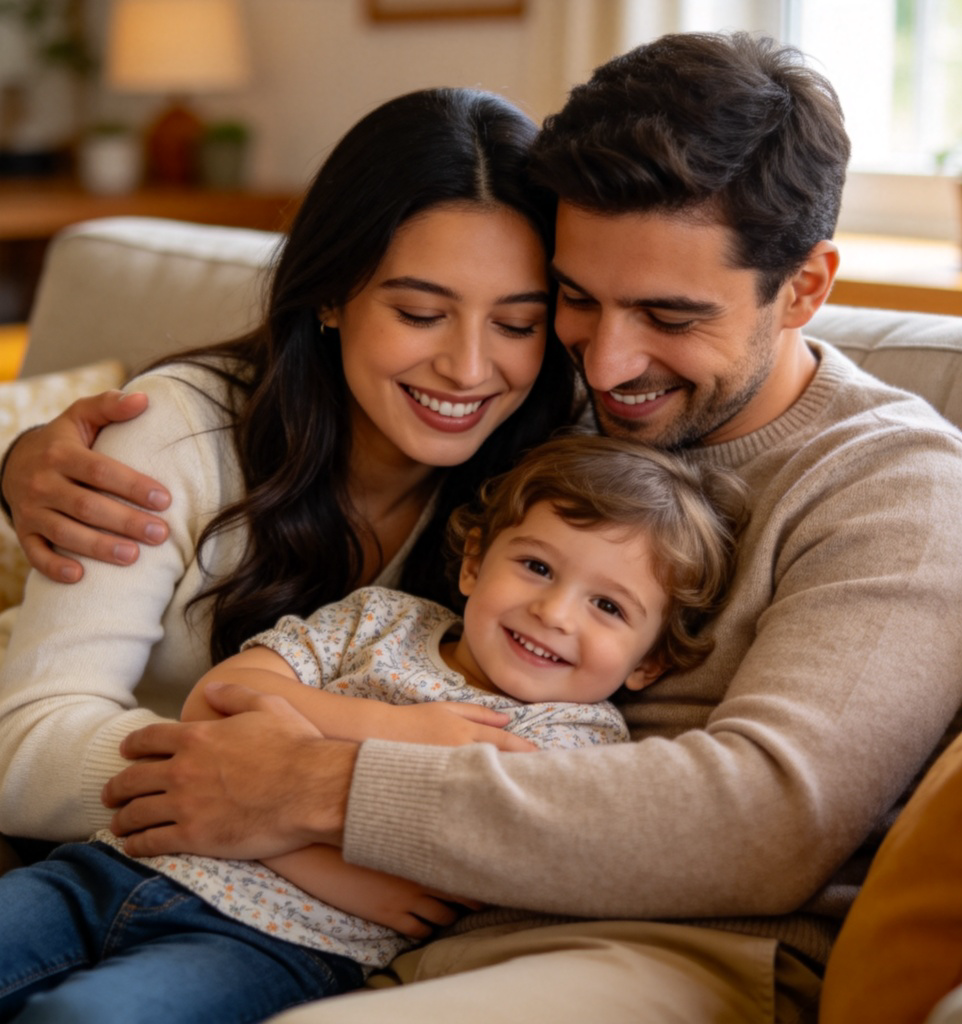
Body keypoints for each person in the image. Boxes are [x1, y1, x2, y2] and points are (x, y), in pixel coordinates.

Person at [1, 31, 962, 1024]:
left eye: (669, 315)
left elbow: (767, 820)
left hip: (661, 947)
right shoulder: (537, 407)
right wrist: (20, 465)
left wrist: (318, 784)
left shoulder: (903, 491)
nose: (609, 364)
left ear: (805, 287)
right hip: (353, 923)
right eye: (575, 301)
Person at [0, 85, 580, 850]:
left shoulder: (550, 480)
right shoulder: (173, 433)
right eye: (419, 313)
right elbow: (22, 752)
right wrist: (265, 782)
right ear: (332, 296)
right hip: (92, 857)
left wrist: (301, 798)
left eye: (516, 323)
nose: (469, 369)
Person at [0, 435, 745, 1023]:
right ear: (475, 562)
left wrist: (262, 824)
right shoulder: (380, 618)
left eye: (608, 608)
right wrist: (402, 730)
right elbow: (221, 693)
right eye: (537, 567)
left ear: (650, 664)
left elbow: (437, 883)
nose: (554, 613)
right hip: (115, 866)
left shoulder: (572, 739)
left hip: (272, 944)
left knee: (83, 1016)